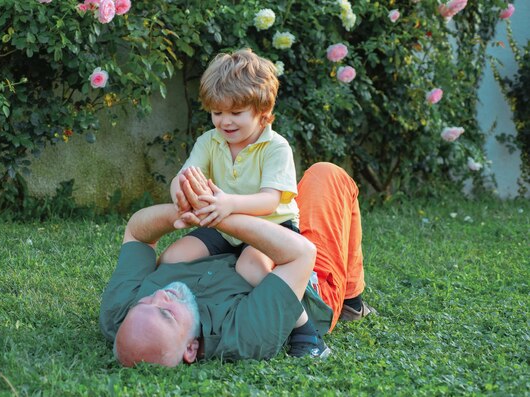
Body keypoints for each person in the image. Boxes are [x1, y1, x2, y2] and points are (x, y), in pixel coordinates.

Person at [99, 162, 372, 367]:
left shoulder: (120, 315)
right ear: (191, 349)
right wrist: (218, 216)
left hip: (232, 244)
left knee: (176, 255)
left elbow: (136, 232)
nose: (160, 296)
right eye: (167, 314)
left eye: (145, 302)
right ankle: (350, 297)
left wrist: (185, 212)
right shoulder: (243, 335)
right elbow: (300, 254)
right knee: (326, 175)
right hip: (296, 273)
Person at [162, 48, 300, 290]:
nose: (225, 121)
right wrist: (181, 196)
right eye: (217, 112)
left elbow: (270, 201)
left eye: (236, 113)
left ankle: (300, 322)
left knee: (250, 268)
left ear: (263, 111)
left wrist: (230, 204)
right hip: (224, 226)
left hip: (270, 226)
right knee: (171, 259)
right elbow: (183, 177)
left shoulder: (275, 147)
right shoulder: (209, 140)